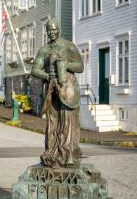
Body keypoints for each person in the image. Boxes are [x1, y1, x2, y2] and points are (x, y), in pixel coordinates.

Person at [31, 19, 84, 168]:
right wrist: (47, 76)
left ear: (59, 30)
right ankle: (52, 153)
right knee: (52, 122)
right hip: (51, 88)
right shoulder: (44, 50)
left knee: (68, 122)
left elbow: (80, 66)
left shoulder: (69, 46)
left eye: (54, 29)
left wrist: (65, 64)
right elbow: (35, 70)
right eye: (49, 30)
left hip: (68, 88)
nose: (51, 32)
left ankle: (68, 155)